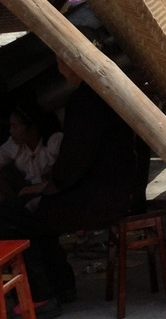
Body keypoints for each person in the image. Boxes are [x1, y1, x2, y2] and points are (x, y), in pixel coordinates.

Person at [0, 53, 150, 318]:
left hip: (100, 198)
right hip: (112, 192)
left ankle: (41, 297)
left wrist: (45, 189)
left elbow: (72, 164)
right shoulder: (102, 93)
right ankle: (62, 286)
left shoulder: (86, 101)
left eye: (61, 60)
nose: (59, 67)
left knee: (16, 216)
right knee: (32, 213)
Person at [0, 101, 63, 199]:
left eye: (15, 126)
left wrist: (33, 189)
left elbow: (69, 171)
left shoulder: (54, 142)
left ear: (32, 129)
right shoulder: (16, 145)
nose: (11, 131)